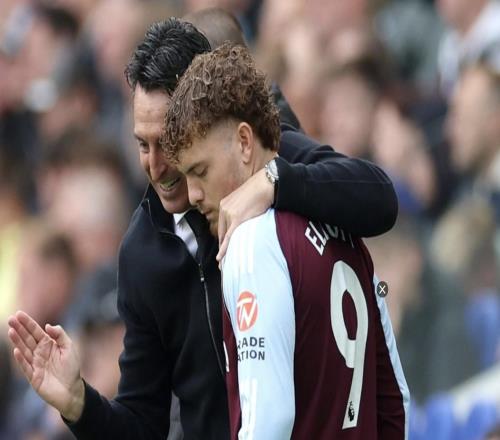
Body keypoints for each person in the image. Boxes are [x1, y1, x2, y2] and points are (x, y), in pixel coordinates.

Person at [7, 16, 399, 440]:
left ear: (202, 118)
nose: (155, 166)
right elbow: (144, 423)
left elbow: (378, 197)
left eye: (167, 143)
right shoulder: (143, 252)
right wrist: (80, 404)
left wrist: (273, 183)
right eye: (142, 144)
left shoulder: (264, 154)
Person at [164, 41, 409, 439]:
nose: (192, 195)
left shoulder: (250, 242)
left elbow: (269, 420)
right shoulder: (345, 230)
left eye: (201, 171)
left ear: (245, 143)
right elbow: (395, 398)